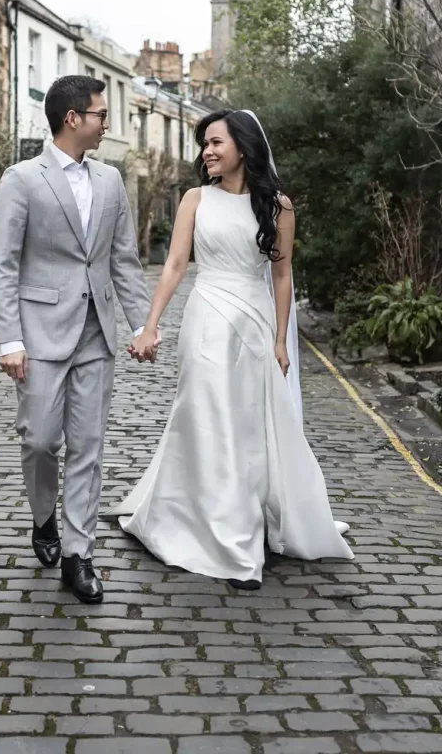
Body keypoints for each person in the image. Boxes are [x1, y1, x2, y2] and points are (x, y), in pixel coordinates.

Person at [114, 109, 353, 589]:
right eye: (204, 144)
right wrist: (149, 326)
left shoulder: (279, 207)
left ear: (243, 146)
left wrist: (282, 339)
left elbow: (282, 276)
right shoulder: (194, 199)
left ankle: (247, 515)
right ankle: (230, 536)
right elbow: (176, 264)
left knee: (249, 425)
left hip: (256, 321)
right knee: (207, 417)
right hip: (206, 319)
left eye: (216, 142)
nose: (207, 151)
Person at [0, 75, 157, 604]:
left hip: (96, 335)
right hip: (38, 334)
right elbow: (3, 265)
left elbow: (123, 260)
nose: (108, 122)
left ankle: (79, 555)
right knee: (40, 440)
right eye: (101, 114)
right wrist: (8, 339)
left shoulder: (110, 181)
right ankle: (44, 519)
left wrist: (141, 324)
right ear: (72, 119)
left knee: (87, 447)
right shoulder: (22, 179)